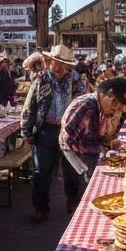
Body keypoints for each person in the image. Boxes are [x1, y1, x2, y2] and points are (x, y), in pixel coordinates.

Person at [21, 44, 86, 222]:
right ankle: (41, 208)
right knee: (42, 171)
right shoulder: (41, 80)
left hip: (69, 132)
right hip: (46, 131)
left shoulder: (76, 80)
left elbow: (83, 106)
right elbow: (29, 105)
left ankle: (73, 203)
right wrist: (26, 130)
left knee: (72, 171)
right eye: (55, 62)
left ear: (67, 65)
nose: (57, 67)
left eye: (61, 63)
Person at [59, 76, 126, 180]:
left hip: (86, 155)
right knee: (85, 191)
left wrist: (106, 142)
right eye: (117, 107)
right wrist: (101, 148)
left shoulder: (99, 107)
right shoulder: (87, 105)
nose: (116, 112)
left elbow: (92, 135)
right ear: (110, 94)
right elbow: (67, 140)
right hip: (76, 159)